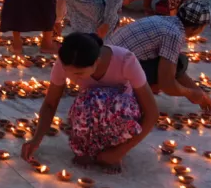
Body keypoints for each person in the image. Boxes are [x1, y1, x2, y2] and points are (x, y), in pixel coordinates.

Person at [21, 33, 159, 173]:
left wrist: (119, 152)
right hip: (93, 110)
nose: (72, 77)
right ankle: (86, 149)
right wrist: (36, 140)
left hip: (122, 112)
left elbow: (152, 113)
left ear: (96, 62)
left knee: (98, 99)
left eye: (79, 74)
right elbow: (50, 104)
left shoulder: (125, 60)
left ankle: (112, 149)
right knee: (86, 102)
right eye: (68, 72)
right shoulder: (64, 63)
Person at [105, 0, 211, 110]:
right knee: (171, 67)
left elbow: (175, 67)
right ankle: (137, 93)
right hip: (113, 78)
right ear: (195, 28)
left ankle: (143, 88)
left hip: (105, 64)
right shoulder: (174, 34)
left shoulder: (165, 21)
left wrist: (198, 93)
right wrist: (190, 93)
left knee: (179, 61)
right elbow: (167, 85)